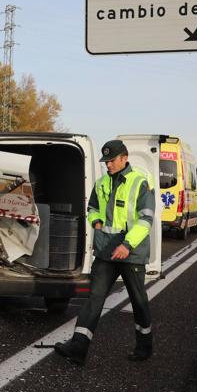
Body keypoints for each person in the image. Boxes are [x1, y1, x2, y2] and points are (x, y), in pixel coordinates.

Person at [55, 139, 156, 366]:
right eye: (106, 161)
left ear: (124, 158)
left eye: (111, 160)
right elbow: (92, 207)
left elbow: (146, 219)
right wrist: (97, 221)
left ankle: (144, 346)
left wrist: (127, 245)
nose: (108, 165)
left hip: (131, 253)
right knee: (94, 299)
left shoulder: (140, 183)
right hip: (105, 252)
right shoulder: (101, 183)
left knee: (138, 301)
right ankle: (78, 348)